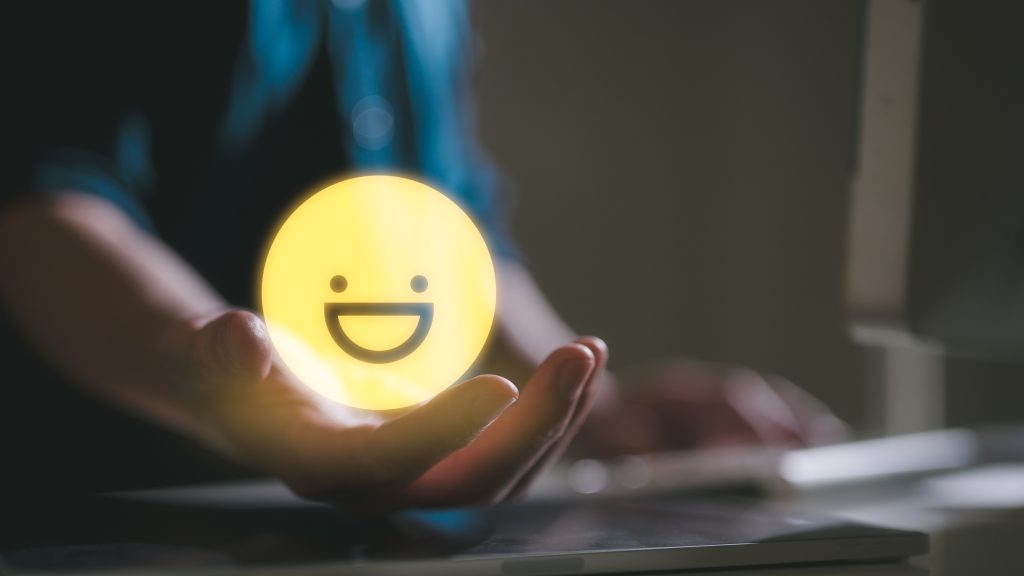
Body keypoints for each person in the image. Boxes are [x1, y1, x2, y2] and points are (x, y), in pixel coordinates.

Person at [0, 1, 844, 511]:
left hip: (338, 528)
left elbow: (446, 225)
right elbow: (42, 192)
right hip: (90, 516)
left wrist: (605, 413)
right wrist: (239, 390)